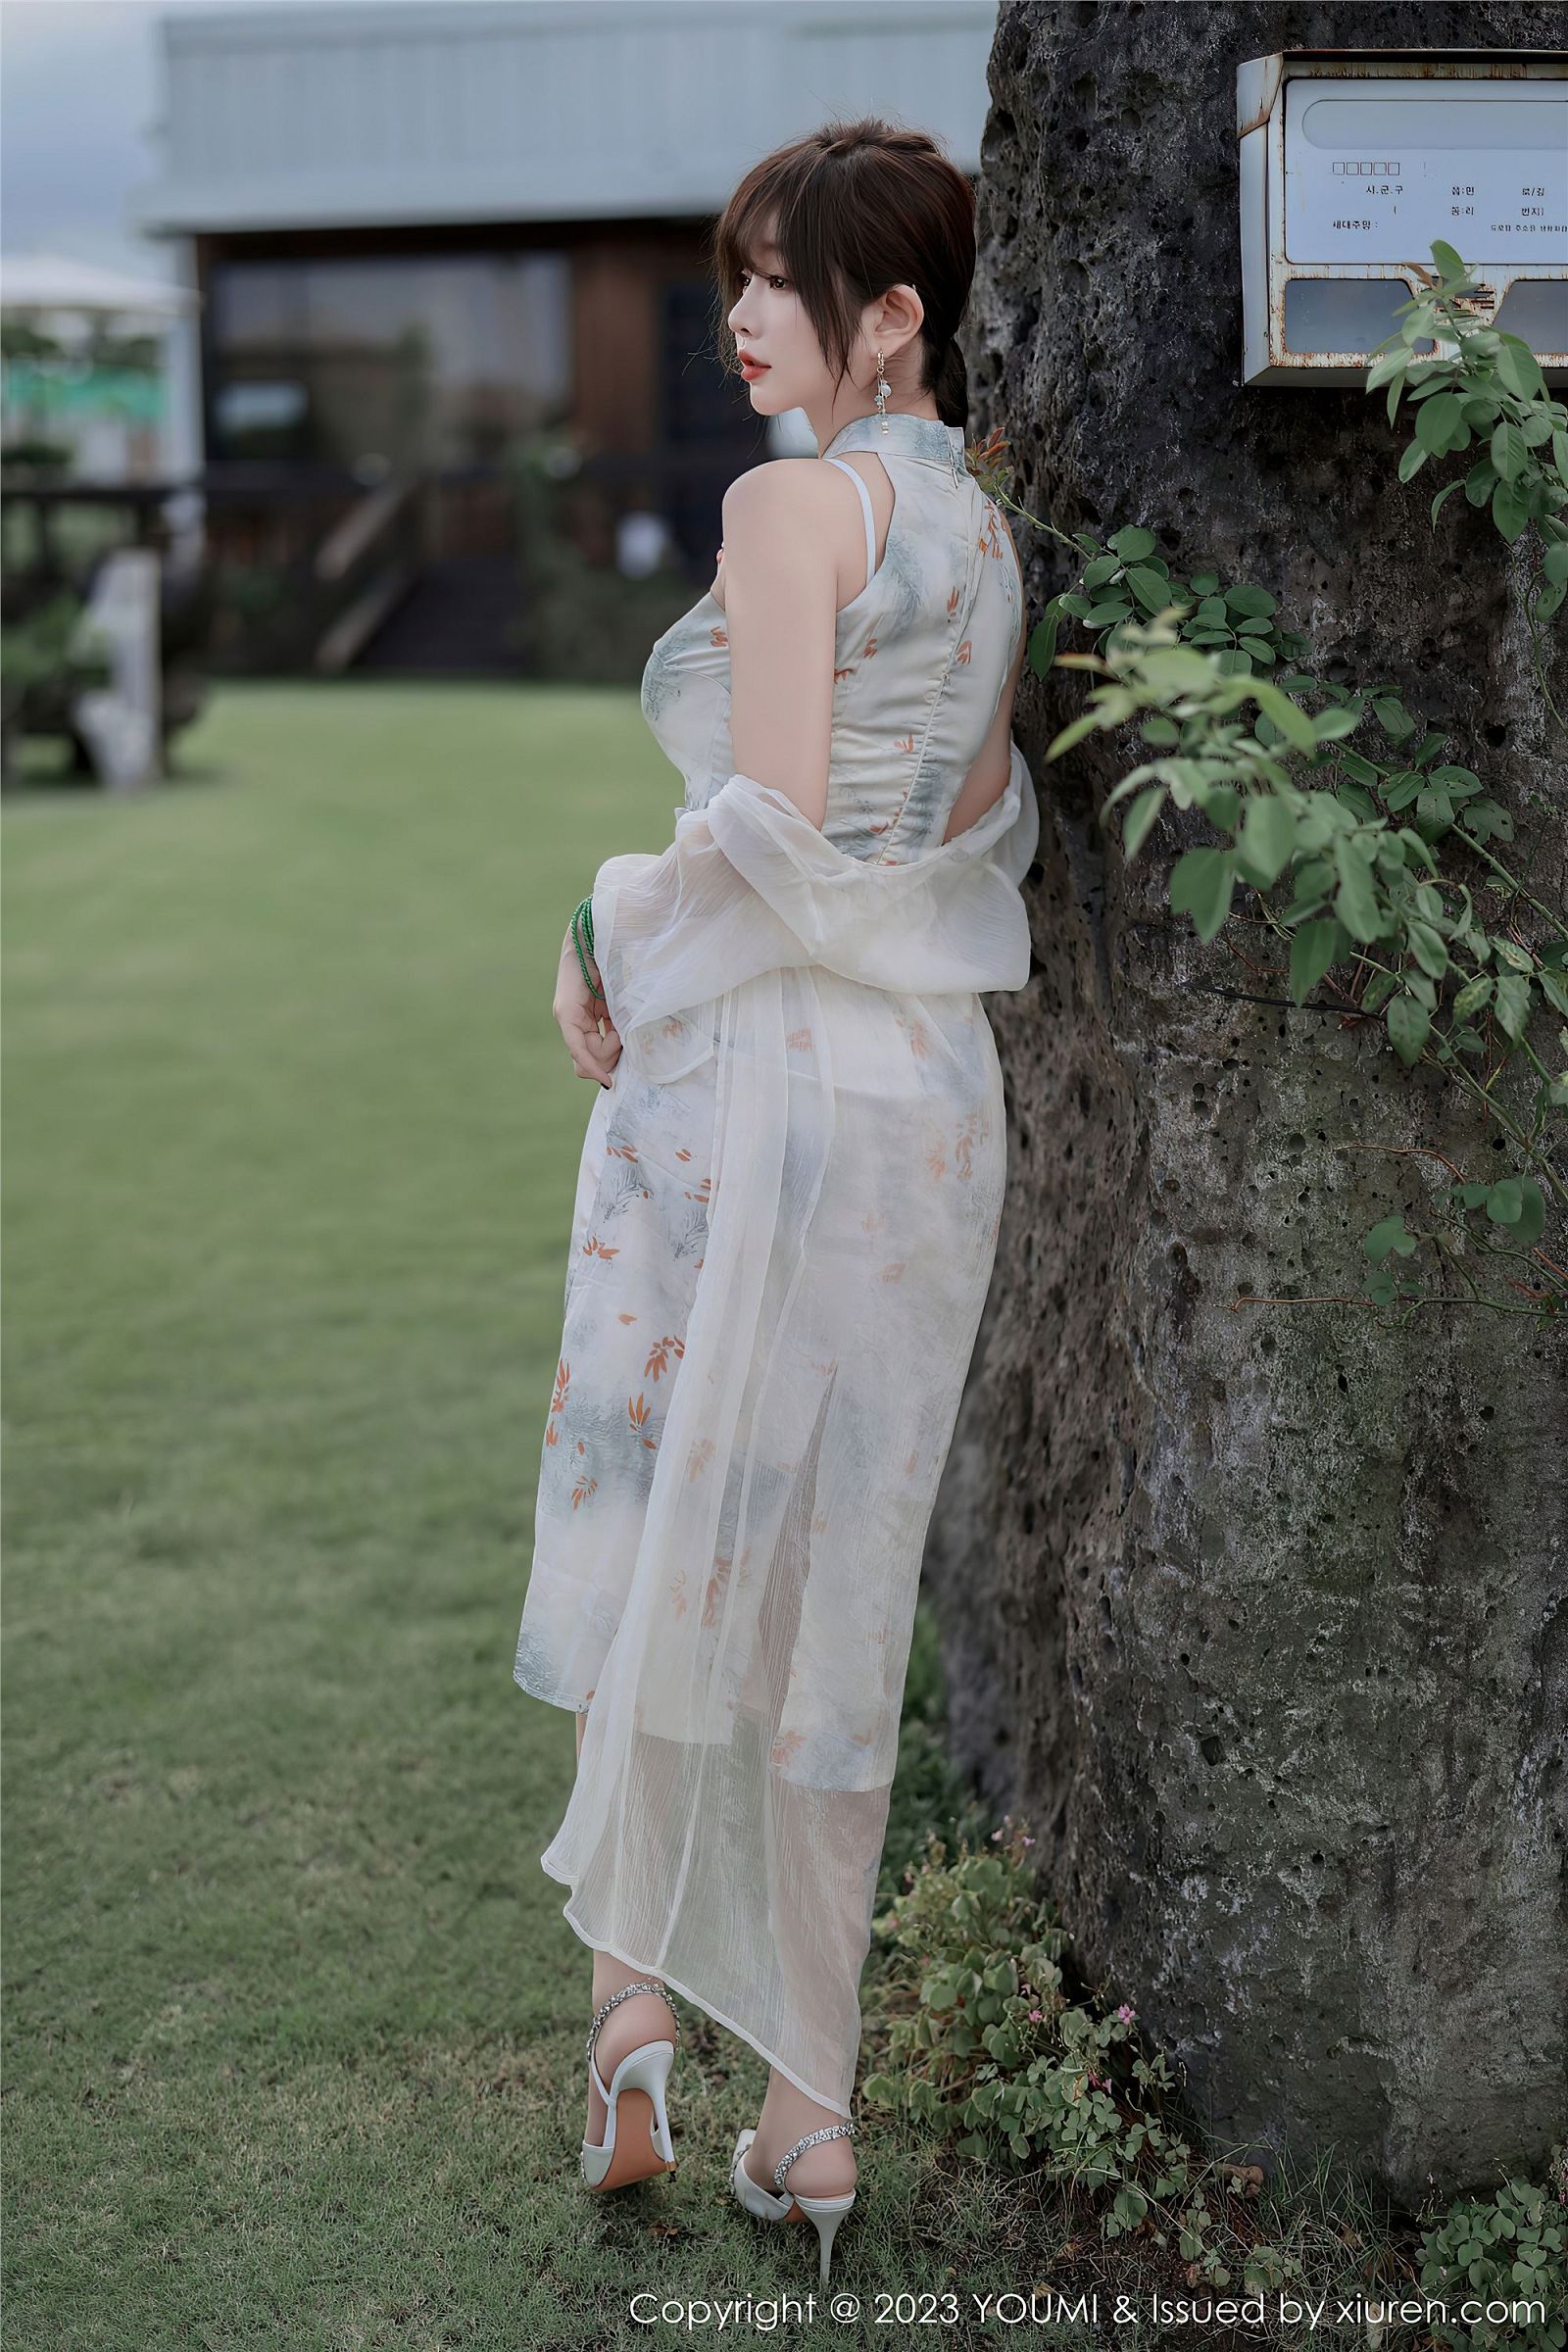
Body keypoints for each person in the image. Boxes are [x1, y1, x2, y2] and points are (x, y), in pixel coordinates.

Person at [513, 116, 1037, 2282]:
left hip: (749, 1075)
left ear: (889, 314)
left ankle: (631, 2017)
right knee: (845, 1568)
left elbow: (776, 822)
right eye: (731, 274)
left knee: (659, 1509)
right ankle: (810, 2118)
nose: (736, 316)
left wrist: (597, 924)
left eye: (771, 278)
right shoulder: (985, 540)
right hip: (926, 1101)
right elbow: (967, 826)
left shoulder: (786, 506)